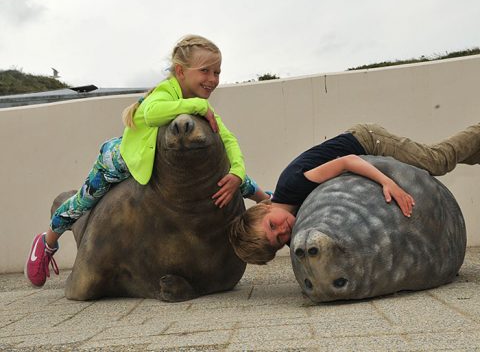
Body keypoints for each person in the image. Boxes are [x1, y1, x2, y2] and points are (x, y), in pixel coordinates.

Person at [25, 34, 270, 287]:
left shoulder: (201, 108)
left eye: (217, 72)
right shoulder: (167, 93)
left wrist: (237, 172)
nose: (212, 79)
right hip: (122, 159)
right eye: (205, 71)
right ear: (180, 71)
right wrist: (196, 105)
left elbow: (229, 142)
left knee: (226, 175)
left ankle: (268, 200)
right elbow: (150, 113)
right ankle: (47, 242)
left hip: (161, 162)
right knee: (83, 202)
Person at [229, 122, 480, 265]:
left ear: (265, 208)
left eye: (272, 226)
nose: (283, 232)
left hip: (368, 142)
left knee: (437, 161)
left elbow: (347, 161)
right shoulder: (288, 214)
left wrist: (387, 182)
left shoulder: (291, 185)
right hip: (361, 149)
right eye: (277, 240)